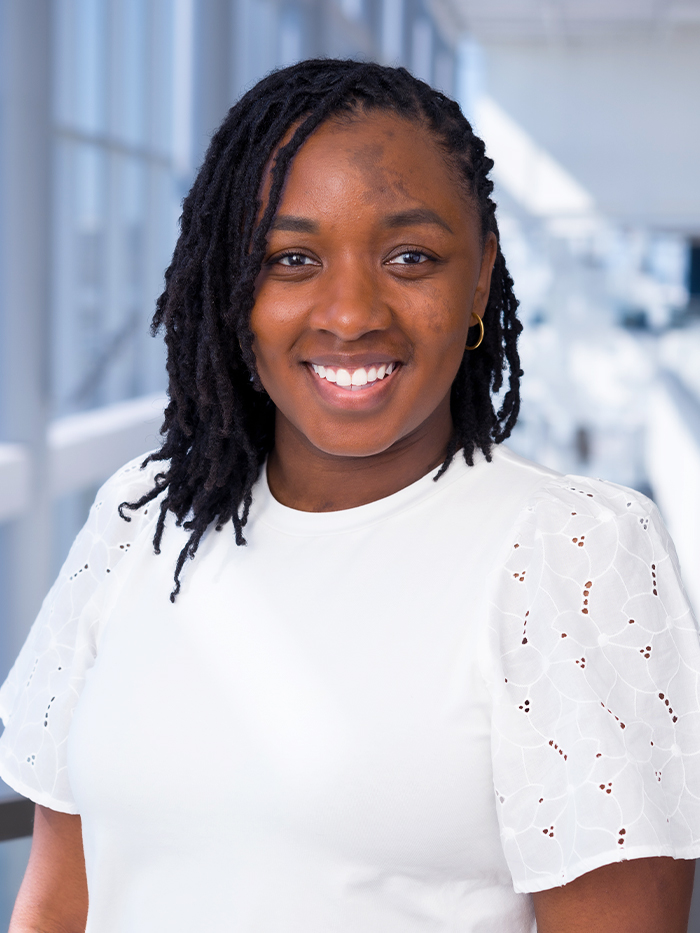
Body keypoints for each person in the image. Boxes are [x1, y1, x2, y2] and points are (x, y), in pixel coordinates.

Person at [1, 59, 699, 933]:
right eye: (292, 258)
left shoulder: (572, 551)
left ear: (480, 276)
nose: (350, 312)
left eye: (411, 256)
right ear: (234, 288)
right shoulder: (142, 513)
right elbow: (60, 901)